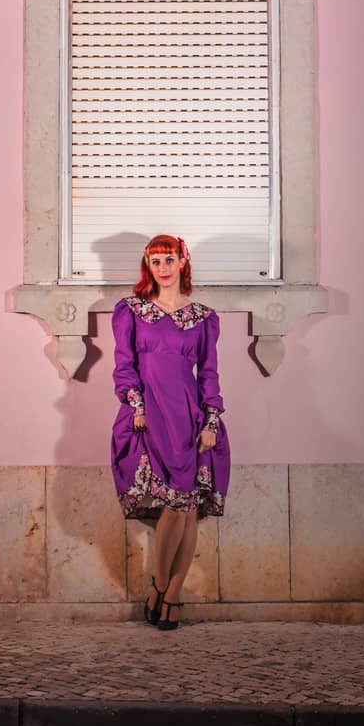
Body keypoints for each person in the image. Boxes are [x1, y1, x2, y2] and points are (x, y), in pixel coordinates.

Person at [110, 233, 230, 631]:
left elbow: (208, 373)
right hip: (150, 416)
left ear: (183, 262)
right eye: (155, 261)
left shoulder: (204, 318)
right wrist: (136, 407)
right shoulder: (131, 310)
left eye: (169, 260)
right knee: (171, 510)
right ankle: (159, 586)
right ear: (149, 266)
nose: (163, 268)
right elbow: (124, 366)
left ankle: (172, 595)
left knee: (187, 510)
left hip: (190, 419)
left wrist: (211, 421)